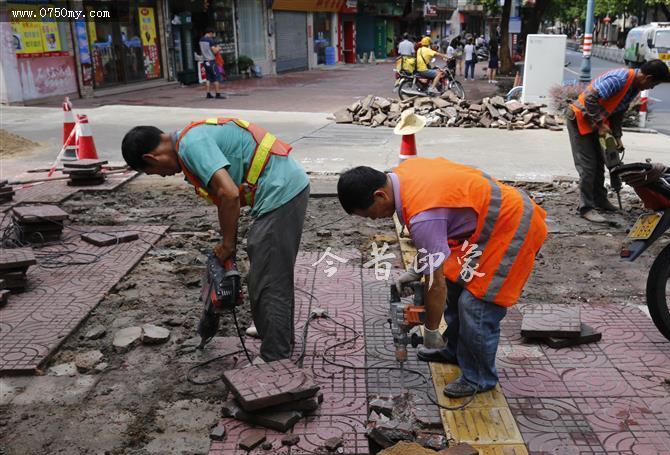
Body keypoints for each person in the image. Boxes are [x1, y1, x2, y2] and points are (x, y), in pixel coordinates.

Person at [337, 157, 548, 398]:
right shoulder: (404, 176)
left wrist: (430, 329)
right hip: (485, 226)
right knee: (455, 283)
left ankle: (479, 377)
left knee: (476, 305)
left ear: (380, 196)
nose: (373, 220)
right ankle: (455, 351)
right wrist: (416, 270)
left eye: (368, 214)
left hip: (514, 225)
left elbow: (435, 285)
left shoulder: (423, 214)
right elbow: (436, 239)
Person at [120, 118, 310, 362]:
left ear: (152, 158)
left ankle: (276, 356)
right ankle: (273, 332)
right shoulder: (191, 140)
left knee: (270, 279)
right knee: (262, 274)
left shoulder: (191, 145)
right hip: (278, 190)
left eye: (153, 172)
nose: (164, 176)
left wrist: (228, 245)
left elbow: (228, 194)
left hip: (281, 192)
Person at [567, 60, 670, 223]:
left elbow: (618, 111)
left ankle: (600, 200)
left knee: (600, 163)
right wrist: (601, 125)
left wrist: (617, 136)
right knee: (588, 166)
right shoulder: (619, 80)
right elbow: (589, 100)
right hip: (580, 119)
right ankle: (586, 207)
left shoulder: (633, 86)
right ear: (648, 77)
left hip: (594, 121)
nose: (651, 88)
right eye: (653, 84)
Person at [199, 29, 225, 99]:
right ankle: (218, 94)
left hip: (205, 61)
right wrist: (218, 48)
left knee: (208, 78)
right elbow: (214, 51)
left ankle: (208, 94)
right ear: (210, 33)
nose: (213, 36)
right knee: (216, 77)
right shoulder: (210, 40)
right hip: (211, 61)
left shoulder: (201, 39)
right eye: (213, 34)